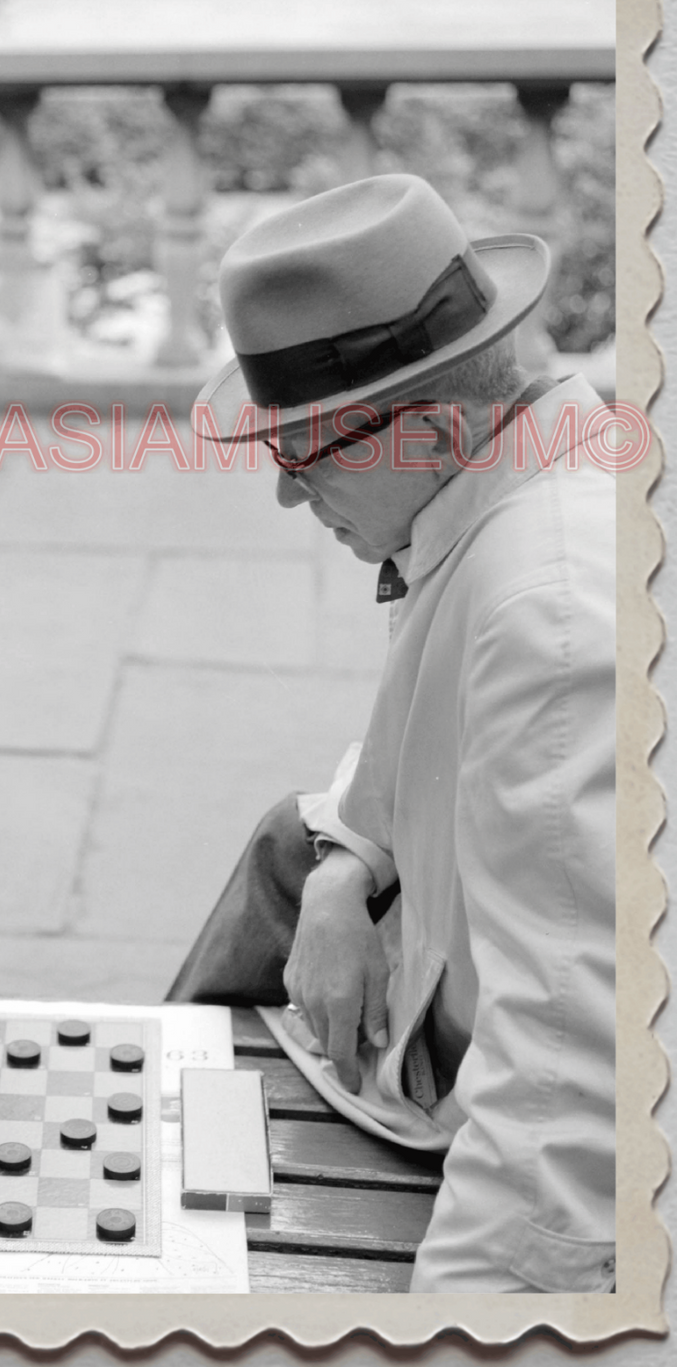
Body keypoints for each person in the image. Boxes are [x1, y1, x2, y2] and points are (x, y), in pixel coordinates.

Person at [168, 174, 616, 1293]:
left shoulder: (550, 613)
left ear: (428, 425)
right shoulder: (509, 463)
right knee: (293, 845)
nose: (284, 493)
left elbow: (570, 1072)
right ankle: (167, 1149)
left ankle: (176, 1225)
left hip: (497, 1085)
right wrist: (348, 861)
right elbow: (444, 735)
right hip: (446, 969)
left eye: (303, 452)